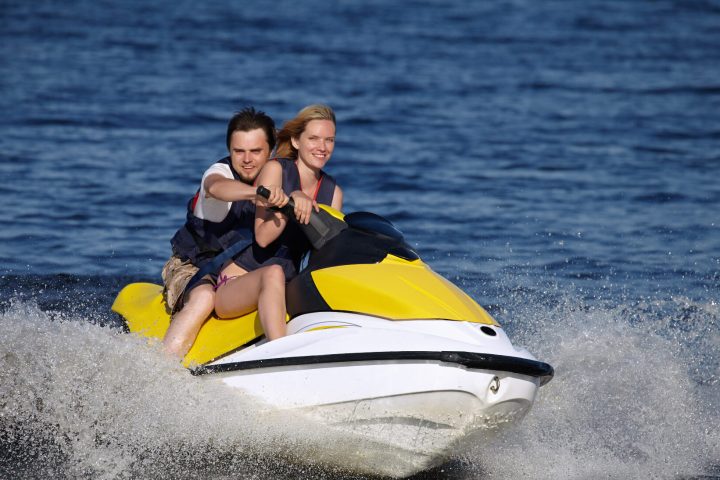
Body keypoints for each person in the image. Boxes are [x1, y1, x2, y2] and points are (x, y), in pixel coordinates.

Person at [161, 107, 288, 358]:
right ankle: (159, 370)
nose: (247, 159)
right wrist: (259, 193)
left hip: (241, 272)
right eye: (238, 151)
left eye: (256, 151)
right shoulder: (219, 173)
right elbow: (217, 188)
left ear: (271, 151)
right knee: (204, 298)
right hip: (193, 267)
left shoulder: (281, 174)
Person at [213, 104, 343, 321]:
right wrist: (289, 203)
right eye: (314, 138)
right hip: (238, 282)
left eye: (329, 140)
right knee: (274, 272)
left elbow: (322, 256)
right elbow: (263, 238)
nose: (322, 147)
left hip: (286, 285)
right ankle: (283, 352)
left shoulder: (333, 193)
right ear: (295, 141)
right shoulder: (275, 170)